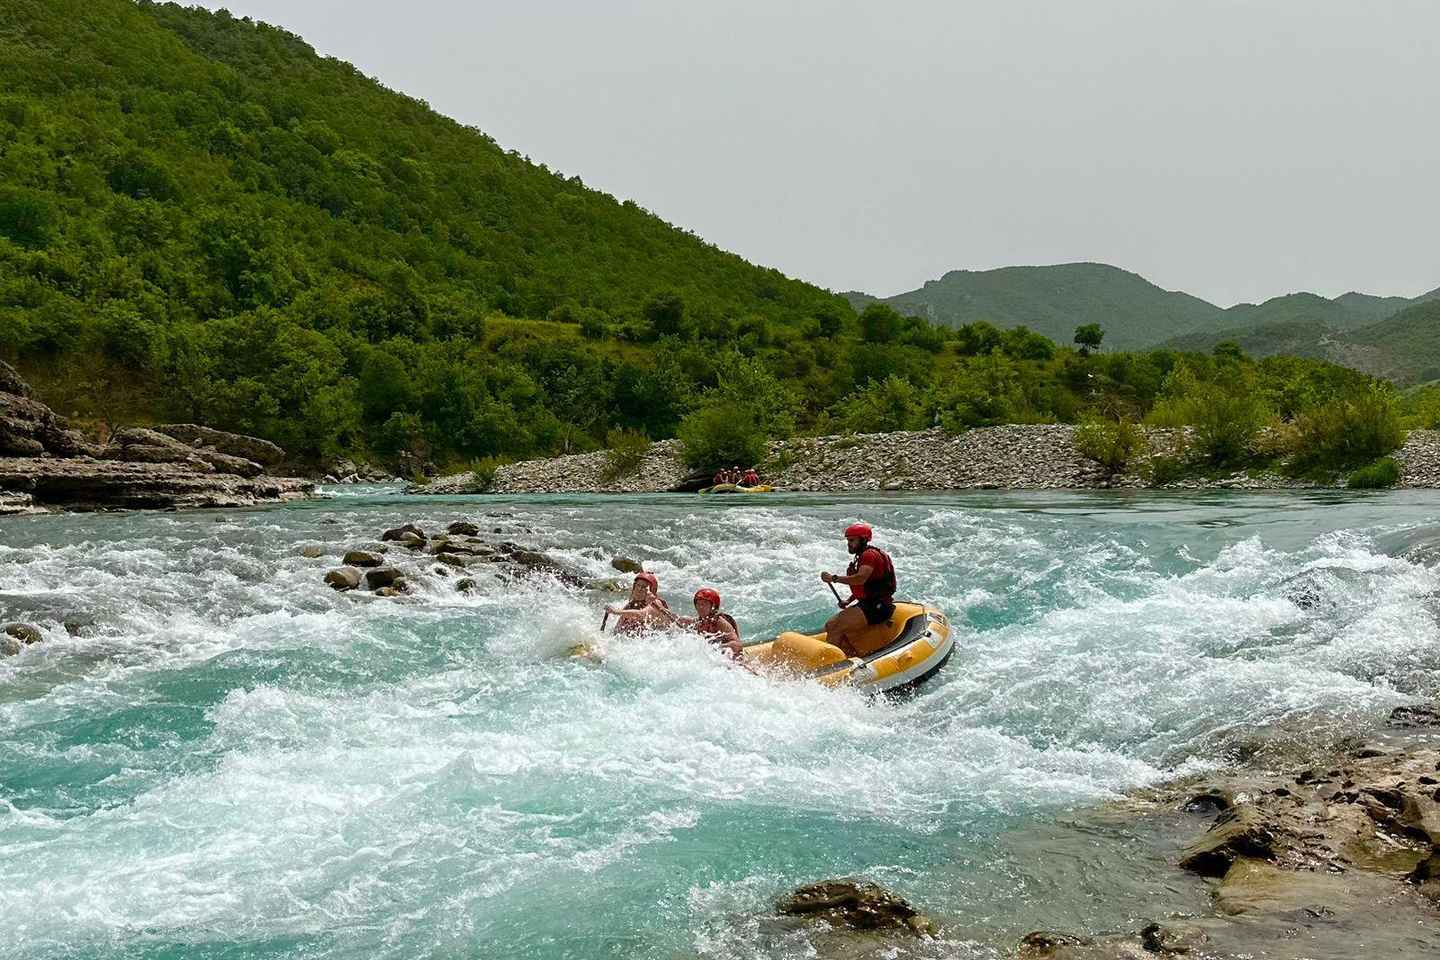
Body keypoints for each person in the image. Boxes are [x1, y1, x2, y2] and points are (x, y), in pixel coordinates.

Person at [819, 522, 896, 655]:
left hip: (878, 607)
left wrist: (834, 578)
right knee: (832, 626)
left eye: (852, 540)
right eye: (848, 540)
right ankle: (848, 657)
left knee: (834, 626)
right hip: (869, 604)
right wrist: (849, 601)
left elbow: (861, 578)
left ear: (863, 539)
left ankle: (829, 666)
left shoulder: (869, 555)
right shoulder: (861, 556)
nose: (849, 544)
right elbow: (867, 586)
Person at [673, 587, 743, 659]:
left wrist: (715, 648)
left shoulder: (720, 622)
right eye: (698, 604)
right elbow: (676, 619)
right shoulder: (697, 622)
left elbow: (737, 645)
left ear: (713, 607)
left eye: (704, 604)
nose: (700, 607)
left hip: (728, 658)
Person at [605, 572, 671, 634]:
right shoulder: (632, 605)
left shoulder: (656, 603)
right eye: (638, 585)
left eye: (643, 587)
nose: (639, 589)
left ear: (651, 591)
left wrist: (615, 611)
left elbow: (641, 614)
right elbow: (617, 629)